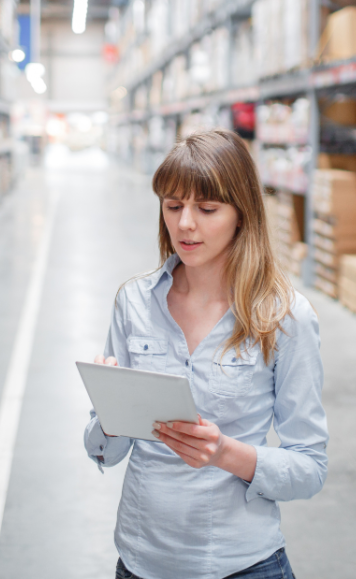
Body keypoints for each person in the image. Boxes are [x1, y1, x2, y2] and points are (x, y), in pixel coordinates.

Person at [84, 129, 328, 579]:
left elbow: (310, 467)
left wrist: (224, 453)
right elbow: (104, 452)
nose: (185, 224)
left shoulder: (285, 317)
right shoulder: (134, 303)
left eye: (207, 209)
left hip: (243, 563)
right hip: (142, 560)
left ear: (242, 213)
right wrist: (109, 413)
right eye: (173, 206)